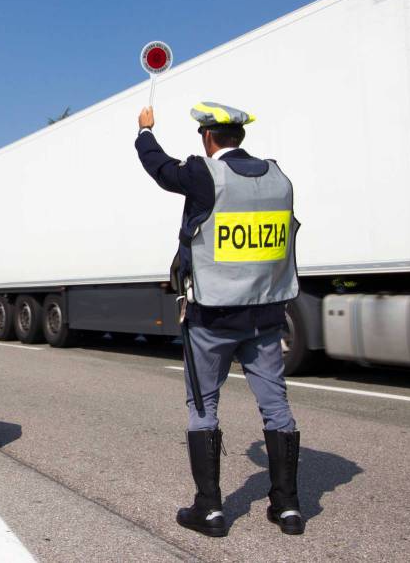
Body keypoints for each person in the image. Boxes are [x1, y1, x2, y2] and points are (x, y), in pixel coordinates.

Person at [135, 102, 304, 537]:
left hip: (212, 318)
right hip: (265, 315)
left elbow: (160, 169)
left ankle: (209, 510)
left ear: (209, 138)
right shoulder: (277, 176)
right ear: (240, 137)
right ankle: (287, 507)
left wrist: (145, 133)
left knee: (203, 406)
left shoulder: (204, 174)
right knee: (276, 407)